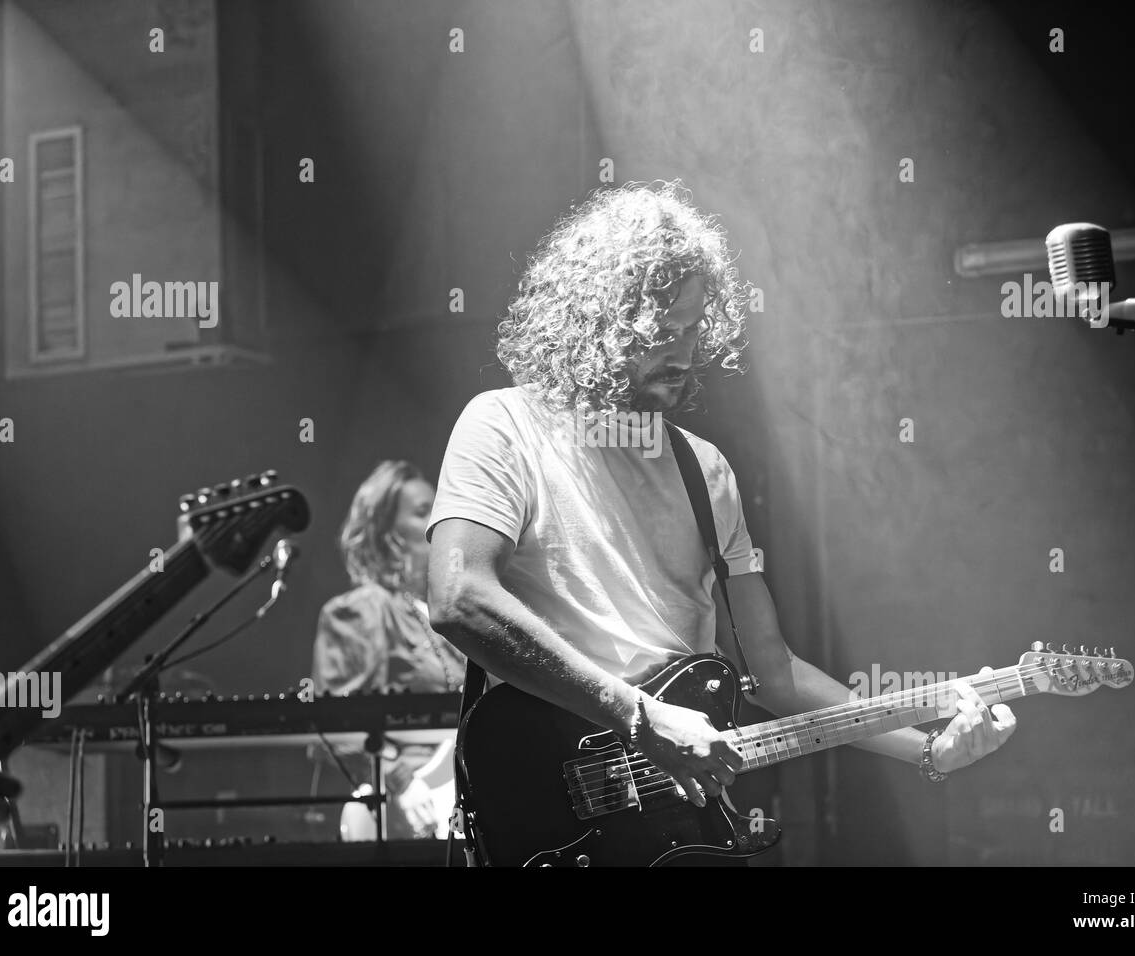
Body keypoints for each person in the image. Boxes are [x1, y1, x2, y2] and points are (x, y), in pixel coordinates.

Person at [425, 181, 1017, 859]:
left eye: (692, 328)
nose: (683, 353)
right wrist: (640, 718)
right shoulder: (503, 425)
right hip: (555, 816)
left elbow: (772, 674)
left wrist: (929, 751)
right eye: (660, 332)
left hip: (682, 826)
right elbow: (459, 598)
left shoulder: (704, 471)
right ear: (595, 320)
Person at [312, 461, 466, 839]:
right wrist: (402, 782)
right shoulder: (364, 610)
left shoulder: (447, 612)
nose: (438, 520)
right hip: (404, 813)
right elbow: (339, 726)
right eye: (421, 511)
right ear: (387, 534)